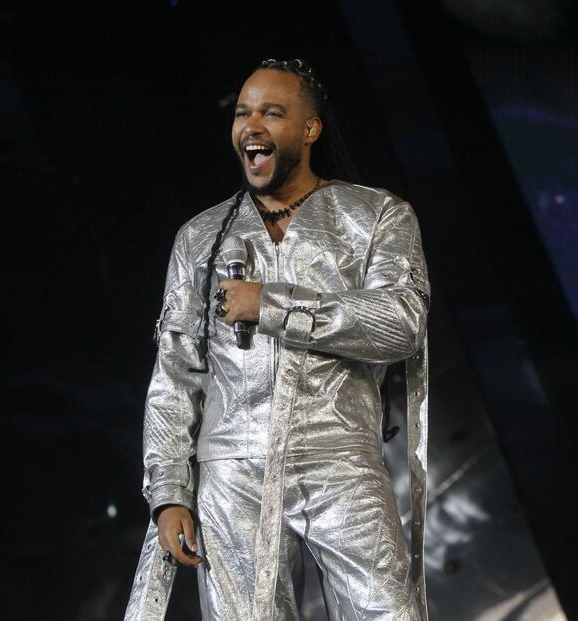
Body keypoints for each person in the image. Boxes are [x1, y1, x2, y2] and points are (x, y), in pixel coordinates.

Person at [124, 58, 430, 621]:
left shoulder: (377, 216)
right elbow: (173, 374)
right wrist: (169, 492)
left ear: (310, 129)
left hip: (340, 460)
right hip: (232, 472)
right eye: (243, 113)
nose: (252, 126)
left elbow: (401, 322)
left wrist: (270, 304)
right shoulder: (200, 237)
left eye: (271, 112)